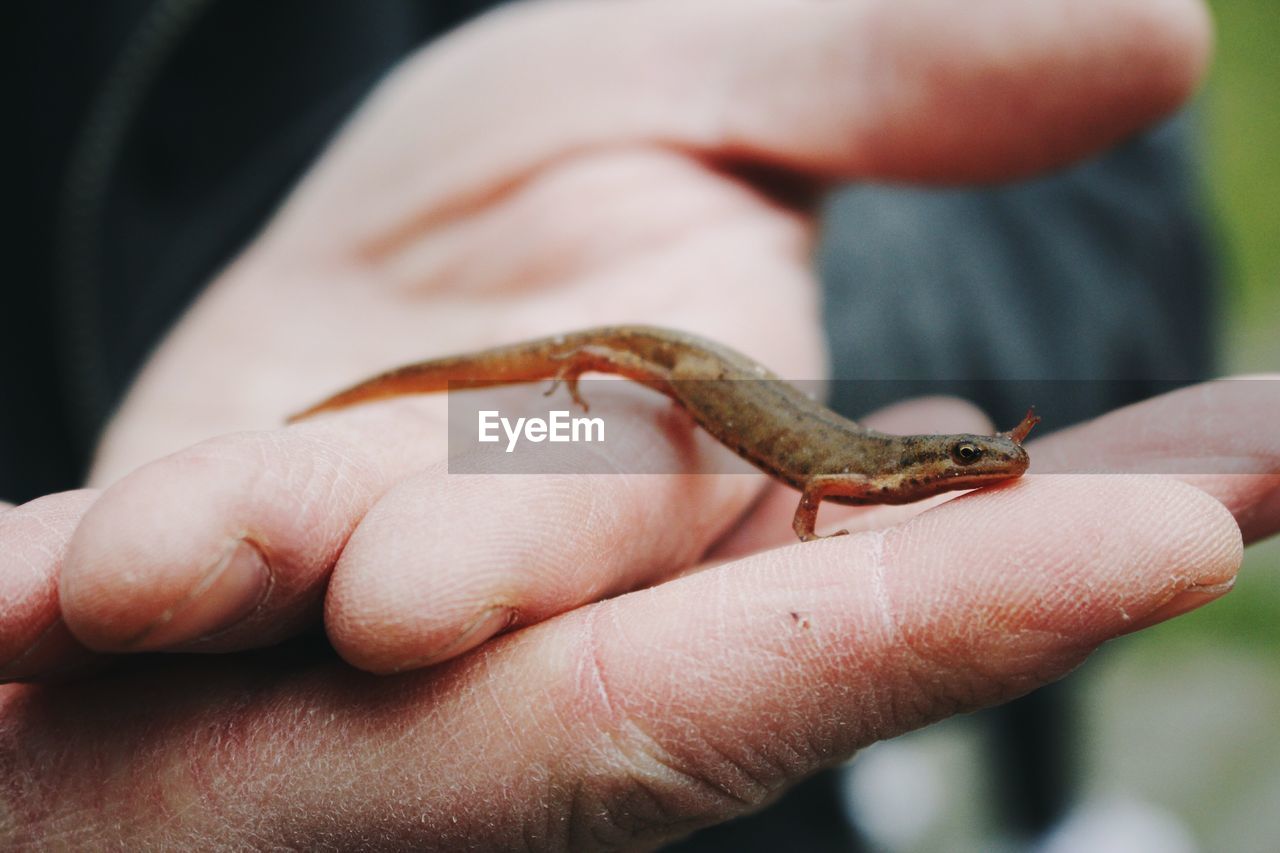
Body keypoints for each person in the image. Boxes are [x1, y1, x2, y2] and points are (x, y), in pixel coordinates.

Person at [2, 0, 1274, 848]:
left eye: (987, 456)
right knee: (585, 382)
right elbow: (813, 486)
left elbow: (835, 470)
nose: (985, 466)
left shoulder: (883, 472)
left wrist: (844, 312)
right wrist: (573, 406)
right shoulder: (859, 468)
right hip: (656, 358)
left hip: (711, 345)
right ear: (925, 462)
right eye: (970, 454)